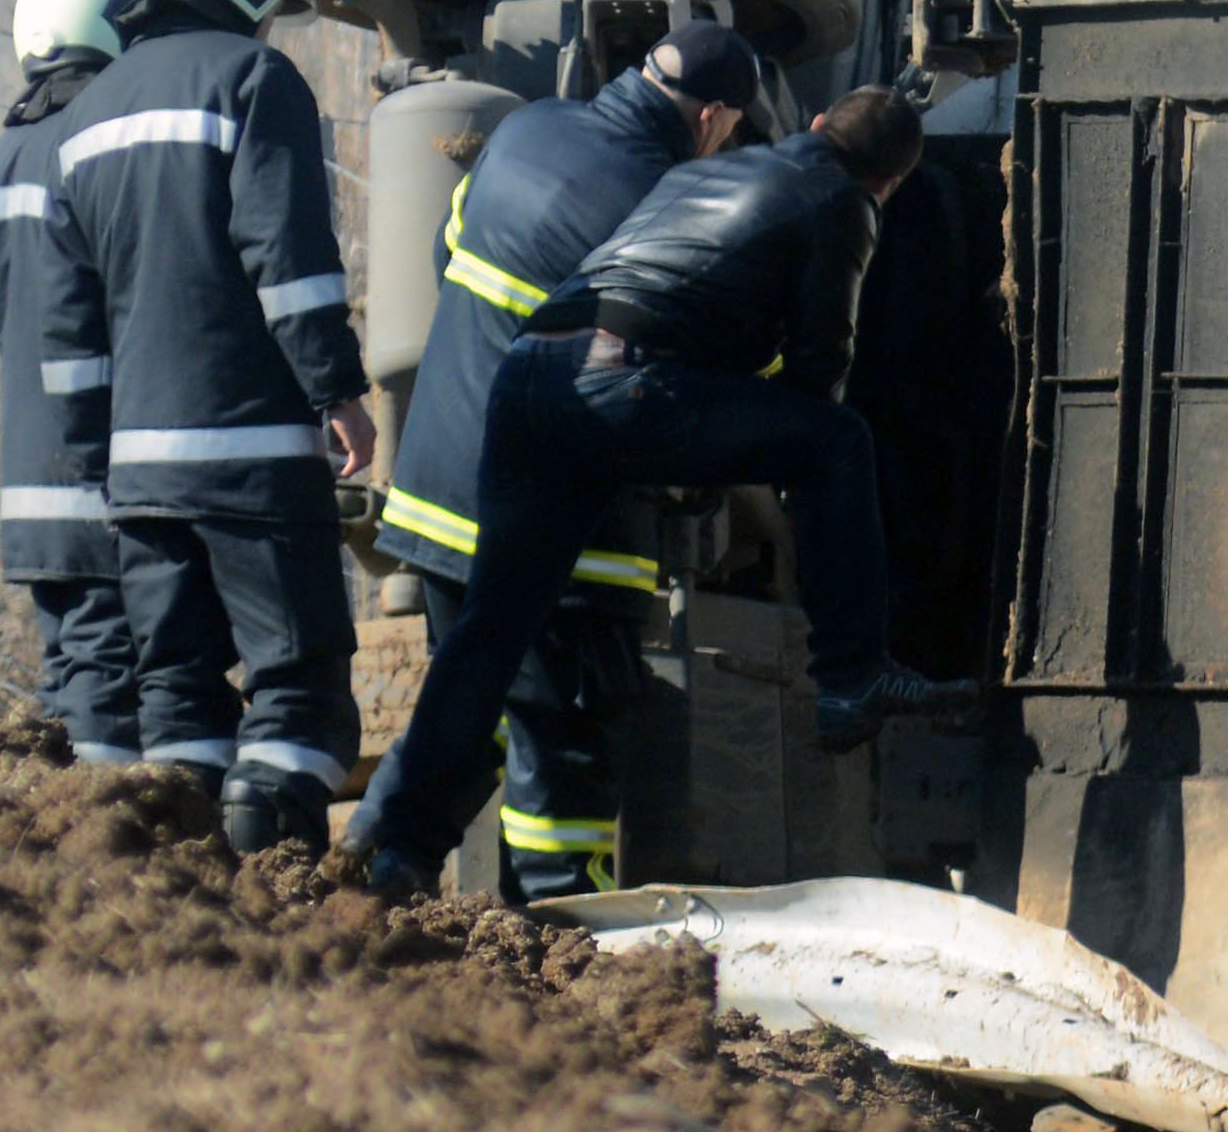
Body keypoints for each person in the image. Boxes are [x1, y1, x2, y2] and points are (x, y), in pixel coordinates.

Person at [349, 83, 963, 899]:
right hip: (618, 390)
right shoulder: (841, 203)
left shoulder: (711, 172)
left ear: (816, 123)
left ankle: (390, 846)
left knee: (489, 635)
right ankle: (852, 677)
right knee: (836, 443)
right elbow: (820, 378)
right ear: (890, 183)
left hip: (528, 383)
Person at [375, 21, 782, 896]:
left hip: (438, 493)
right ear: (711, 116)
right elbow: (737, 365)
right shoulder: (671, 201)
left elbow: (450, 246)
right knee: (567, 739)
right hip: (558, 527)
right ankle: (567, 932)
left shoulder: (525, 128)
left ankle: (374, 863)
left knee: (468, 707)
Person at [45, 0, 372, 849]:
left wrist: (96, 464)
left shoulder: (86, 115)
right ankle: (282, 897)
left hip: (138, 479)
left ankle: (188, 914)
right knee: (298, 687)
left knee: (179, 703)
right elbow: (290, 259)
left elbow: (70, 333)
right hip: (254, 456)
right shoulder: (253, 79)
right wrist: (336, 391)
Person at [0, 0, 146, 765]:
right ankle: (103, 850)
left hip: (29, 479)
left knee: (71, 663)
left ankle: (61, 835)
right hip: (99, 464)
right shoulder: (100, 143)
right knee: (110, 673)